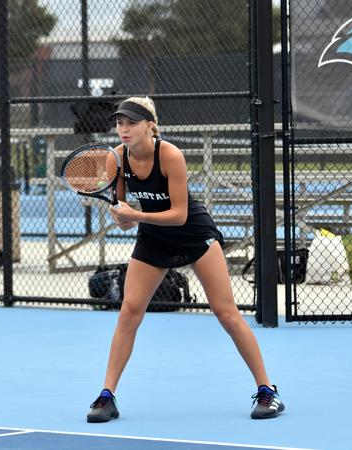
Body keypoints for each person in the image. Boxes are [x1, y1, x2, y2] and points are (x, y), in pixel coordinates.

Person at [86, 97, 285, 422]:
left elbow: (179, 215)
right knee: (129, 313)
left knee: (226, 313)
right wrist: (121, 215)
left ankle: (267, 391)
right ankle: (106, 396)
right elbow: (126, 217)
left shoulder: (170, 155)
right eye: (120, 122)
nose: (123, 129)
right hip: (154, 237)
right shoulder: (117, 159)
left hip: (194, 234)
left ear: (150, 125)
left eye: (131, 122)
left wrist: (136, 216)